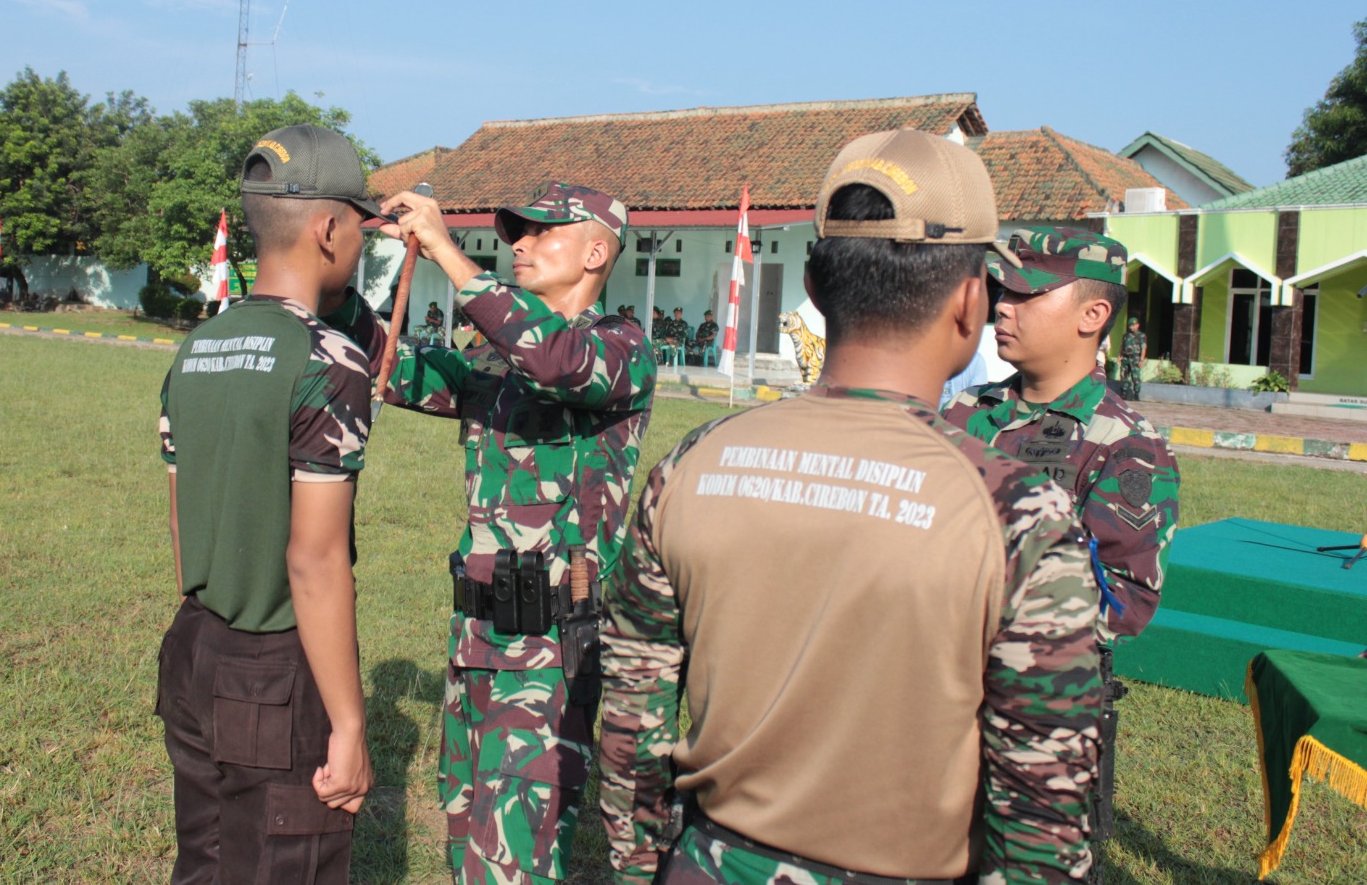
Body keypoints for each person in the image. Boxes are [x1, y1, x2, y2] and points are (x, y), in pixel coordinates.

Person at [600, 129, 1102, 885]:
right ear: (972, 300)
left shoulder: (692, 467)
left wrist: (643, 869)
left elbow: (630, 721)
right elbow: (1043, 813)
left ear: (812, 283)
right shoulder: (1018, 512)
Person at [376, 182, 658, 884]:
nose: (520, 246)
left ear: (597, 250)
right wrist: (338, 258)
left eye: (541, 233)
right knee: (466, 836)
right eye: (515, 236)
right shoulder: (494, 355)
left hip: (550, 643)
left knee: (514, 862)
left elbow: (557, 364)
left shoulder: (619, 348)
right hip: (475, 636)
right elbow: (395, 372)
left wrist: (447, 250)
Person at [156, 124, 387, 885]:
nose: (362, 242)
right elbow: (314, 560)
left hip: (194, 644)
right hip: (276, 669)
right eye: (361, 224)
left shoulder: (198, 345)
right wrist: (349, 725)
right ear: (328, 229)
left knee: (208, 860)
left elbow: (184, 522)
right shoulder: (328, 360)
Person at [941, 227, 1181, 882]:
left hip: (1036, 723)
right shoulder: (964, 414)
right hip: (930, 704)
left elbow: (1121, 601)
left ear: (1093, 315)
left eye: (1024, 293)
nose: (1002, 308)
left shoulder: (1125, 448)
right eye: (998, 292)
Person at [1120, 317, 1147, 401]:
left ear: (1138, 325)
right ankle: (1123, 393)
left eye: (1133, 325)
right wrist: (1119, 356)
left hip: (1135, 358)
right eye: (1130, 325)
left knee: (1135, 376)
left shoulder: (1141, 336)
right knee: (1124, 375)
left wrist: (1141, 359)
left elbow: (1143, 348)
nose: (1131, 327)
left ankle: (1136, 394)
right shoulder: (1126, 335)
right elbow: (1122, 346)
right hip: (1125, 358)